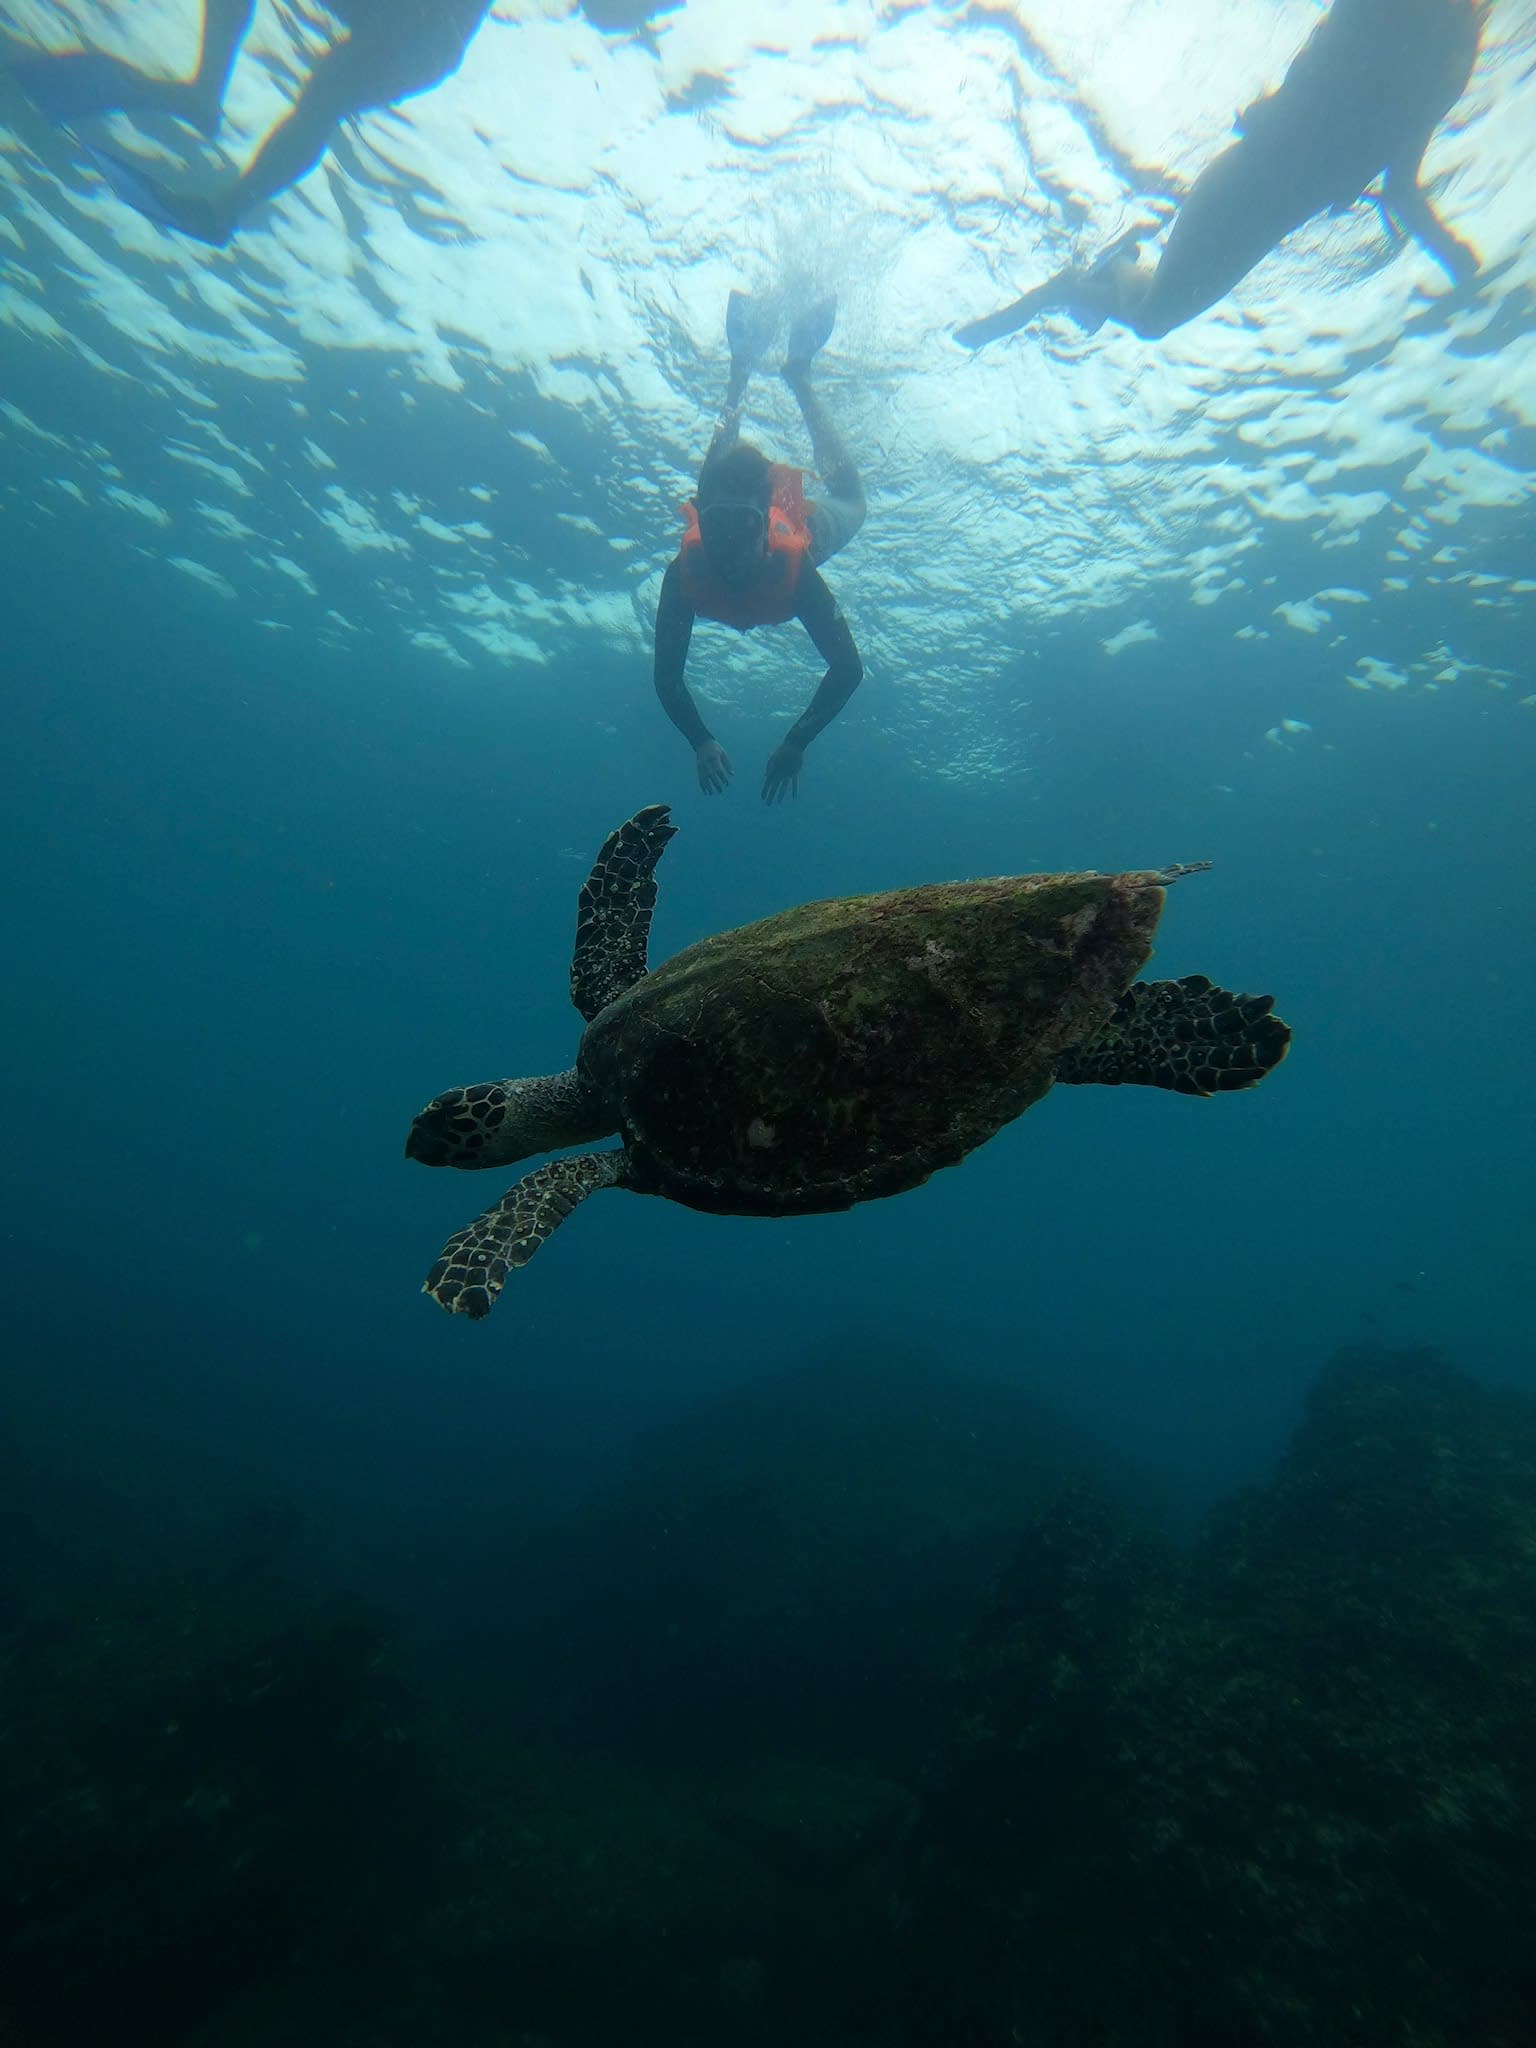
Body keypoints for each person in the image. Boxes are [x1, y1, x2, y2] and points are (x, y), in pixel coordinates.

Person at [955, 0, 1490, 350]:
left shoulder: (1452, 60)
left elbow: (1399, 186)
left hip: (1267, 204)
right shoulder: (1443, 54)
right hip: (1246, 185)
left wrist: (1456, 258)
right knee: (1151, 319)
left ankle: (1101, 273)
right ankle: (1081, 282)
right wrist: (1457, 260)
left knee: (1152, 320)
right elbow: (1399, 188)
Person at [7, 0, 494, 245]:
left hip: (432, 28)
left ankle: (224, 207)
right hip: (418, 25)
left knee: (327, 95)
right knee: (327, 97)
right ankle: (203, 94)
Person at [655, 293, 866, 804]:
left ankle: (795, 376)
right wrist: (700, 740)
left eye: (741, 525)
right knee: (716, 478)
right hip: (735, 503)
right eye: (716, 524)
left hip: (797, 525)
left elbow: (848, 669)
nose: (726, 544)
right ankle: (741, 368)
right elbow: (666, 677)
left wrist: (797, 741)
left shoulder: (798, 571)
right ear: (702, 520)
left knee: (851, 503)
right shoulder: (686, 573)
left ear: (762, 526)